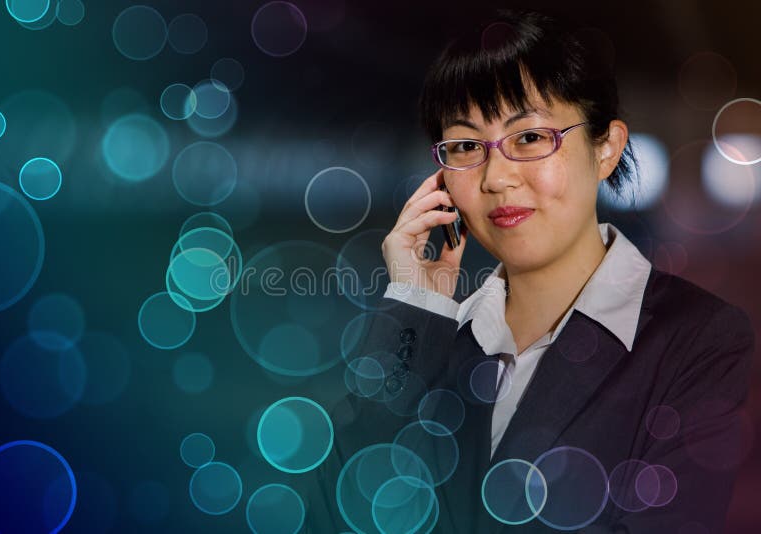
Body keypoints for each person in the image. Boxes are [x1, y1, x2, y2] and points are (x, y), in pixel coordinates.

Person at [301, 9, 755, 533]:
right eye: (468, 147)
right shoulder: (432, 340)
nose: (497, 178)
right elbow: (335, 513)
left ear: (606, 147)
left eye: (531, 138)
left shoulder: (696, 338)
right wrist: (414, 302)